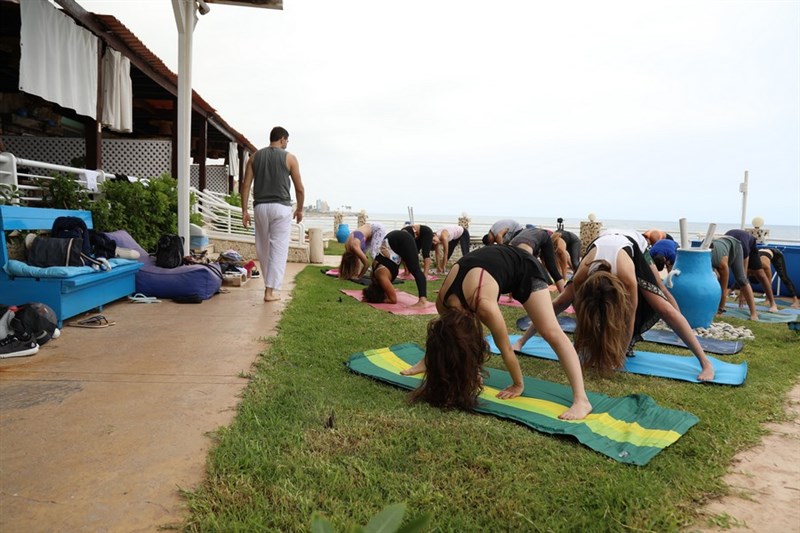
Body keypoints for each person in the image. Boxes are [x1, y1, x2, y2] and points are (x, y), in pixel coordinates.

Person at [400, 245, 592, 420]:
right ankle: (426, 363)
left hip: (524, 268)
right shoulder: (443, 303)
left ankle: (582, 400)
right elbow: (443, 339)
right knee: (451, 336)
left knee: (551, 331)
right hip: (491, 266)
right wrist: (427, 362)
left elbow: (506, 348)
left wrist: (517, 384)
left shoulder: (485, 306)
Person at [517, 229, 716, 381]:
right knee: (560, 301)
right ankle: (522, 341)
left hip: (634, 246)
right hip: (603, 243)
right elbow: (574, 312)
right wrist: (521, 342)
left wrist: (619, 353)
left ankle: (705, 362)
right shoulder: (581, 278)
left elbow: (630, 316)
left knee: (662, 302)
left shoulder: (627, 279)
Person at [240, 126, 305, 302]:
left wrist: (244, 210)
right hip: (281, 208)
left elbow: (245, 186)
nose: (287, 144)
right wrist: (299, 208)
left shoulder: (254, 157)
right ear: (282, 139)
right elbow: (299, 188)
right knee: (279, 248)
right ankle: (270, 291)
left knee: (263, 248)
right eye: (287, 141)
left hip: (260, 207)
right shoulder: (290, 158)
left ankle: (268, 286)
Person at [361, 230, 429, 308]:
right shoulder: (374, 277)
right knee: (412, 266)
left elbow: (392, 300)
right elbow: (390, 294)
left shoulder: (381, 276)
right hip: (392, 239)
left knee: (415, 269)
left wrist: (380, 300)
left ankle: (422, 301)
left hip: (401, 239)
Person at [725, 229, 778, 312]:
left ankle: (773, 303)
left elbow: (743, 274)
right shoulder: (724, 249)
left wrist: (742, 293)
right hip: (733, 241)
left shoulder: (744, 249)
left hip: (750, 245)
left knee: (760, 274)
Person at [710, 235, 759, 320]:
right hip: (718, 245)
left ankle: (754, 314)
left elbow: (724, 289)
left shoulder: (722, 264)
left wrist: (720, 311)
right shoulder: (703, 260)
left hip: (735, 245)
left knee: (741, 279)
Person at [507, 228, 566, 293]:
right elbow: (551, 267)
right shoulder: (545, 235)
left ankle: (510, 297)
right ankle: (564, 295)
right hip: (526, 247)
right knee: (554, 272)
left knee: (514, 272)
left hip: (510, 247)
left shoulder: (528, 231)